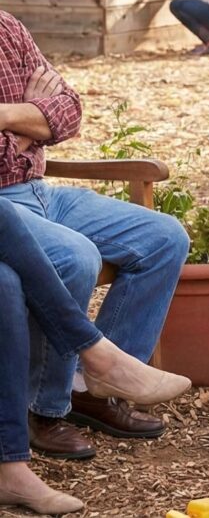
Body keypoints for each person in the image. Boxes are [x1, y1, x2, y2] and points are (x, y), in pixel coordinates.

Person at [0, 4, 190, 467]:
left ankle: (90, 386)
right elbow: (42, 118)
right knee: (76, 256)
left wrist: (7, 116)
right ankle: (46, 410)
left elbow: (67, 111)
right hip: (5, 206)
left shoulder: (7, 28)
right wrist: (28, 118)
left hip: (41, 190)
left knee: (164, 237)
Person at [0, 200, 191, 515]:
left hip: (33, 191)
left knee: (166, 236)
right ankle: (97, 358)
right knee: (58, 259)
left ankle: (11, 466)